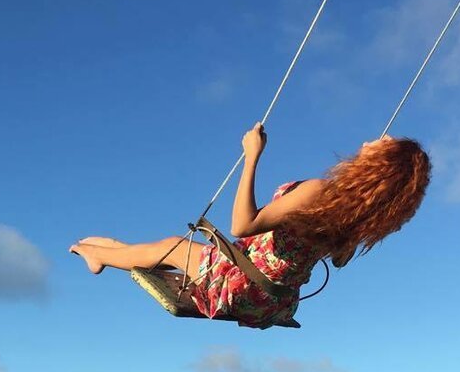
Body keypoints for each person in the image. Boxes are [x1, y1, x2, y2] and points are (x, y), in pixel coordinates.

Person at [70, 123, 431, 328]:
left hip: (242, 285)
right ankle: (115, 249)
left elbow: (243, 225)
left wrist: (251, 156)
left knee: (176, 247)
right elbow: (338, 259)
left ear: (378, 167)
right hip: (274, 303)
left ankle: (97, 254)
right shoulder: (355, 221)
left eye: (382, 145)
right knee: (176, 252)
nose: (373, 140)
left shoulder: (318, 193)